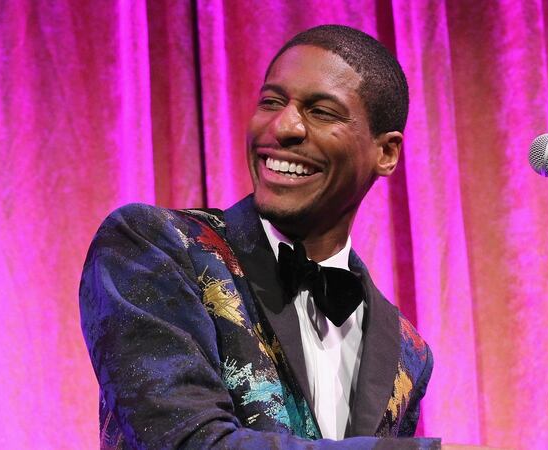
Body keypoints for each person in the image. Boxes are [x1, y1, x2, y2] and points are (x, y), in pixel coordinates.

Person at [80, 24, 437, 449]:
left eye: (321, 112)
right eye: (271, 102)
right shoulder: (155, 246)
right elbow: (185, 443)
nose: (283, 126)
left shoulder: (408, 351)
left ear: (386, 153)